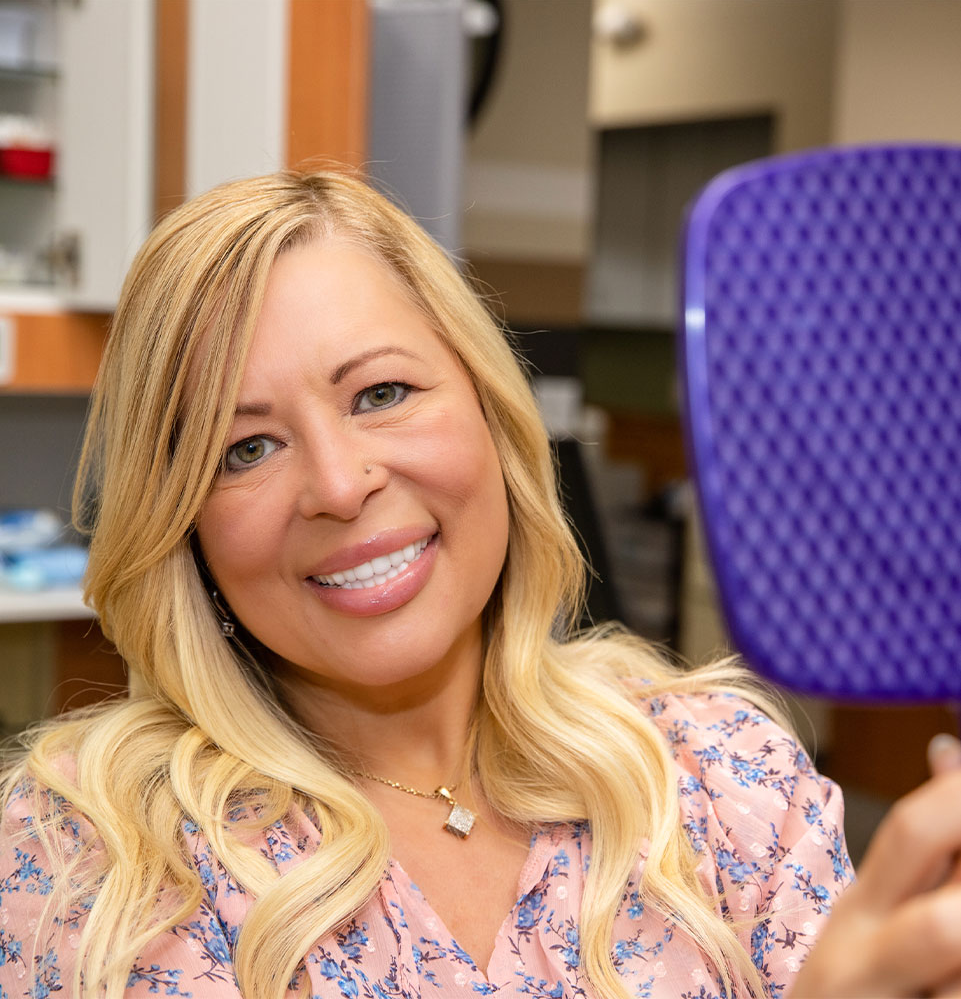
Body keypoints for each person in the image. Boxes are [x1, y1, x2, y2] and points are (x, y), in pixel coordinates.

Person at [0, 169, 956, 999]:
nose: (339, 486)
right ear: (186, 527)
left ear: (492, 415)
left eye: (381, 393)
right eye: (244, 448)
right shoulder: (100, 854)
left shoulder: (715, 771)